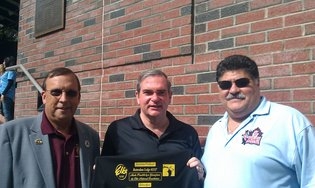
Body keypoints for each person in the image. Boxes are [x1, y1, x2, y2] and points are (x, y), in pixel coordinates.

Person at [201, 54, 315, 188]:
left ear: (257, 82)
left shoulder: (290, 122)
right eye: (225, 85)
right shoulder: (216, 129)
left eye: (241, 82)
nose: (233, 90)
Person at [0, 67, 100, 188]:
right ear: (44, 97)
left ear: (79, 98)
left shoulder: (91, 137)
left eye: (71, 93)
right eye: (56, 92)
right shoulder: (11, 134)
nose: (64, 99)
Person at [100, 69, 205, 180]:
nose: (155, 98)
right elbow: (106, 176)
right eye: (148, 92)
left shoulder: (188, 133)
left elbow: (200, 176)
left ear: (170, 96)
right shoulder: (118, 131)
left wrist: (200, 173)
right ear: (137, 96)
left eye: (161, 92)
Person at [0, 56, 17, 121]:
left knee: (7, 114)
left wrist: (3, 94)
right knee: (3, 113)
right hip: (3, 95)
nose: (3, 63)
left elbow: (10, 83)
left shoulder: (11, 71)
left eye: (4, 62)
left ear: (8, 62)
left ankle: (9, 129)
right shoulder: (6, 71)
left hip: (7, 96)